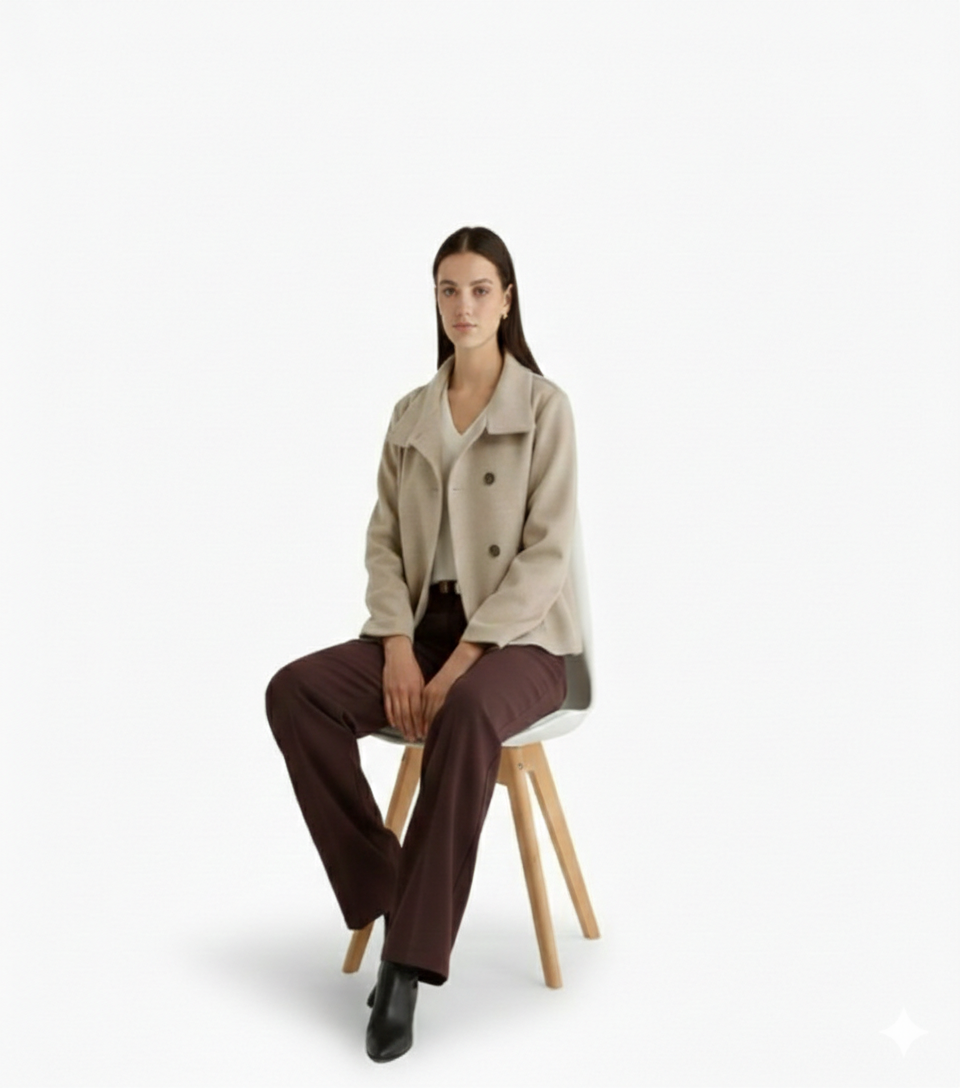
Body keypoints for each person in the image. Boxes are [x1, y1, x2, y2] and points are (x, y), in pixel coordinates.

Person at [264, 225, 583, 1062]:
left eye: (480, 289)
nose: (463, 305)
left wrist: (469, 656)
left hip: (522, 643)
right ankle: (390, 887)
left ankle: (404, 964)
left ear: (507, 300)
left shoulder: (544, 408)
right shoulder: (410, 413)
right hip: (419, 631)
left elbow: (547, 554)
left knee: (467, 712)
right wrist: (398, 643)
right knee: (296, 693)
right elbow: (383, 545)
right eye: (449, 289)